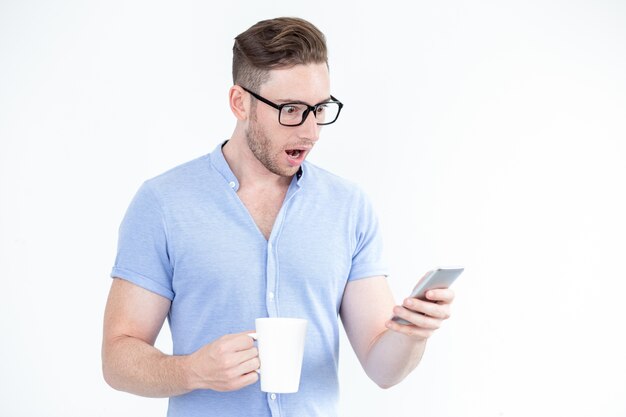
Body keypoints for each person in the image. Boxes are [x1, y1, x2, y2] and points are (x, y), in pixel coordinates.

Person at [102, 17, 455, 417]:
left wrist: (413, 332)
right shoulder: (163, 203)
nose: (311, 132)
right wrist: (191, 371)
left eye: (319, 109)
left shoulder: (348, 207)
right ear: (240, 103)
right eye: (290, 109)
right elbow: (117, 359)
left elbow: (383, 369)